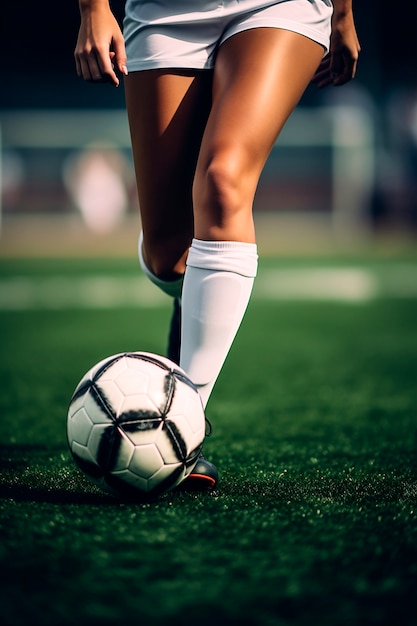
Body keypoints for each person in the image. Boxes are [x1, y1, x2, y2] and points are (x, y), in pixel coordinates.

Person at [74, 0, 360, 490]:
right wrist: (92, 8)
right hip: (168, 11)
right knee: (170, 256)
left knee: (224, 181)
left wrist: (344, 14)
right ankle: (193, 288)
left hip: (279, 6)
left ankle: (184, 424)